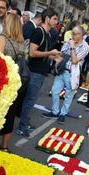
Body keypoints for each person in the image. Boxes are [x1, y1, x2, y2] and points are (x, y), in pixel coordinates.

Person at [16, 8, 60, 137]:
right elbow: (32, 52)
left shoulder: (48, 33)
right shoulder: (38, 32)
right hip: (34, 71)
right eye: (55, 19)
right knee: (29, 100)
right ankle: (21, 127)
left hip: (41, 72)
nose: (56, 22)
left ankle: (24, 123)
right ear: (47, 18)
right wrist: (50, 53)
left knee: (31, 99)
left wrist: (54, 57)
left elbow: (42, 53)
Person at [0, 13, 26, 152]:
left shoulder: (2, 39)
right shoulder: (21, 42)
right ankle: (4, 147)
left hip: (3, 83)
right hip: (16, 83)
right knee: (10, 116)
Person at [43, 26, 89, 122]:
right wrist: (54, 57)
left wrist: (72, 47)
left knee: (69, 95)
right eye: (72, 33)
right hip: (62, 70)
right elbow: (61, 54)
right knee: (55, 91)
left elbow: (75, 60)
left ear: (80, 35)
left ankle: (63, 114)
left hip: (72, 74)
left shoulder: (85, 47)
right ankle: (55, 111)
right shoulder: (69, 42)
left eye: (74, 34)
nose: (72, 35)